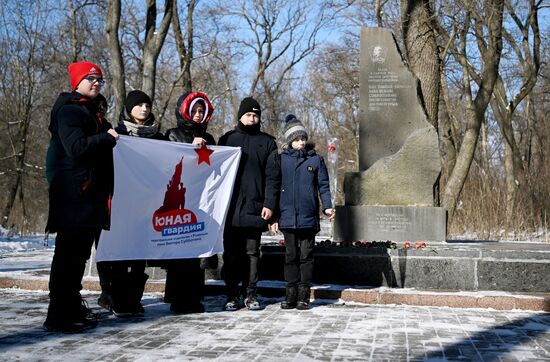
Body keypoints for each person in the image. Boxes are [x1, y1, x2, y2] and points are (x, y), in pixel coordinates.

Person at [44, 61, 119, 333]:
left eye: (99, 78)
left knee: (77, 259)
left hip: (88, 198)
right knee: (67, 259)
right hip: (73, 196)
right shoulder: (70, 111)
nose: (96, 82)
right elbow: (76, 148)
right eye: (90, 78)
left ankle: (71, 307)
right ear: (77, 82)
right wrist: (106, 139)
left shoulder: (92, 112)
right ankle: (59, 315)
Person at [96, 90, 165, 317]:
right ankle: (115, 297)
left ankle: (133, 299)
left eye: (147, 105)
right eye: (139, 105)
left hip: (147, 203)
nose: (144, 109)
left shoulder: (157, 137)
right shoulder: (117, 133)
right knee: (119, 251)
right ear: (129, 108)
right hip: (120, 201)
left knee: (139, 253)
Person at [218, 97, 281, 311]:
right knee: (231, 255)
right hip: (231, 208)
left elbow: (273, 177)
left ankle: (251, 293)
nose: (252, 118)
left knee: (253, 254)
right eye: (248, 115)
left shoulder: (268, 142)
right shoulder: (227, 139)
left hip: (256, 208)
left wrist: (270, 205)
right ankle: (232, 294)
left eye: (255, 115)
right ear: (240, 116)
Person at [272, 114, 335, 310]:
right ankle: (290, 293)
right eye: (297, 139)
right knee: (290, 256)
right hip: (288, 217)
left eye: (303, 139)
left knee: (306, 256)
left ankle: (303, 295)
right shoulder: (281, 160)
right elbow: (274, 187)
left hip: (308, 217)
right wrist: (274, 215)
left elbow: (323, 185)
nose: (301, 142)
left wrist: (327, 205)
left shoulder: (315, 160)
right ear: (290, 141)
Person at [163, 91, 216, 314]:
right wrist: (189, 146)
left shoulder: (210, 139)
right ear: (185, 110)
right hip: (178, 200)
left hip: (201, 201)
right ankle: (177, 298)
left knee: (197, 252)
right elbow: (169, 162)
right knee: (179, 250)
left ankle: (194, 297)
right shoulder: (173, 134)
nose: (197, 114)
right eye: (194, 110)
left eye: (201, 110)